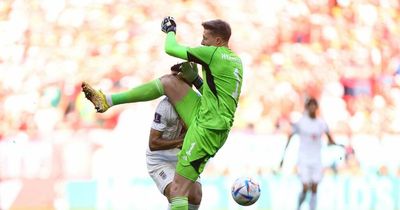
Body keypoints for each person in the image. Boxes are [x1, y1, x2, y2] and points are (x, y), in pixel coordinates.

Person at [82, 17, 243, 210]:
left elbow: (171, 48)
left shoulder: (214, 53)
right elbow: (215, 93)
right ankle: (107, 100)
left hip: (208, 129)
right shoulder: (235, 61)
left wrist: (170, 31)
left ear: (218, 41)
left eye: (205, 38)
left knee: (178, 192)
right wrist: (195, 80)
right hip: (207, 114)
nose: (202, 42)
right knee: (169, 82)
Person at [280, 97, 341, 210]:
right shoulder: (301, 122)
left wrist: (337, 145)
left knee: (314, 187)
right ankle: (299, 206)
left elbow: (330, 140)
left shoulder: (322, 123)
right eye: (310, 105)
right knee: (305, 186)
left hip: (317, 159)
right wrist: (283, 157)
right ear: (307, 107)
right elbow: (290, 137)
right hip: (303, 158)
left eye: (314, 105)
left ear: (317, 107)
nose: (312, 108)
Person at [147, 96, 202, 210]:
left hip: (183, 157)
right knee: (177, 193)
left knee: (195, 196)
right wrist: (182, 141)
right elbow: (153, 143)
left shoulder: (198, 103)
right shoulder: (165, 107)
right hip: (160, 159)